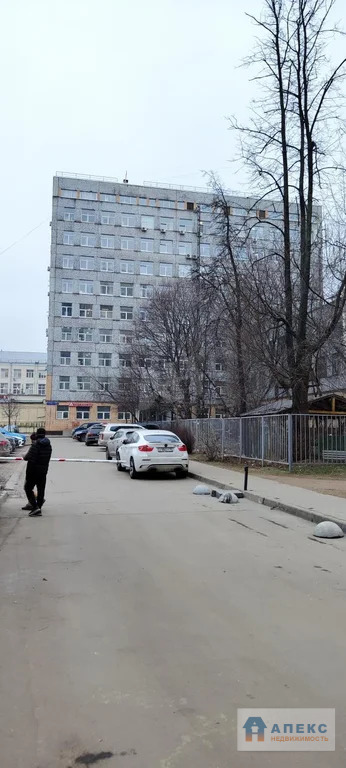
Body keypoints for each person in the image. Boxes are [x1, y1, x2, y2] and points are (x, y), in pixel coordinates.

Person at [22, 428, 52, 516]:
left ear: (37, 434)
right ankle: (38, 508)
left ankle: (35, 507)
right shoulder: (49, 445)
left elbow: (28, 457)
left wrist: (24, 456)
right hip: (43, 470)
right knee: (41, 489)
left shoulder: (35, 445)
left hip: (33, 470)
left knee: (28, 488)